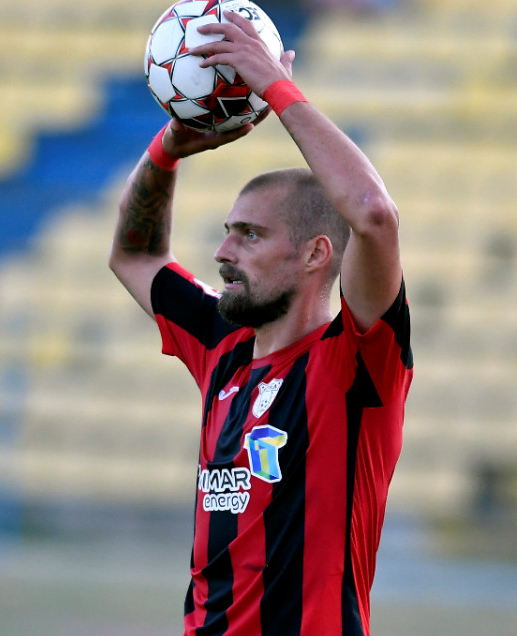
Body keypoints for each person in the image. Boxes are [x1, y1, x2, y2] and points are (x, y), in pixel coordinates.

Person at [109, 12, 412, 636]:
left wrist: (277, 87)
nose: (223, 254)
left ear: (315, 254)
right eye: (227, 233)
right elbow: (135, 255)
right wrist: (167, 151)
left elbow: (375, 215)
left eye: (249, 235)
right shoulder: (222, 342)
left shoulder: (356, 364)